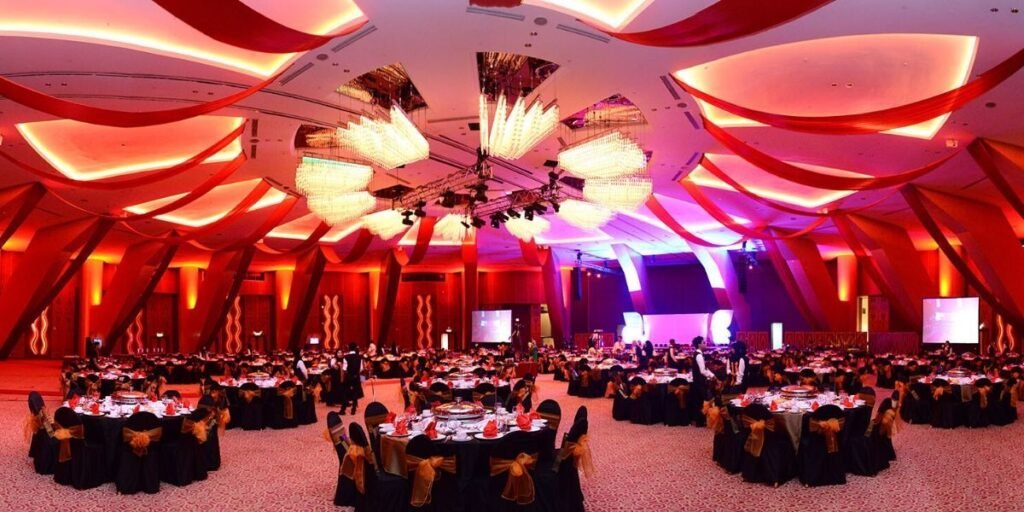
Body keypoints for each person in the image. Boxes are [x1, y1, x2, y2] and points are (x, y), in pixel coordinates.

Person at [691, 336, 715, 426]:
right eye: (704, 343)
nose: (705, 344)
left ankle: (700, 421)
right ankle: (700, 421)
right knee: (702, 401)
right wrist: (712, 377)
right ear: (699, 344)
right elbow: (703, 371)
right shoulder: (699, 355)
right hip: (699, 382)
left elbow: (704, 368)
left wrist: (712, 375)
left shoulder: (697, 354)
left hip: (697, 381)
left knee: (699, 400)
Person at [341, 343, 363, 415]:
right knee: (355, 392)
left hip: (348, 376)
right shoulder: (359, 357)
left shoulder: (346, 357)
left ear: (349, 348)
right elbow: (361, 369)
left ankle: (343, 409)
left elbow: (344, 368)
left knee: (345, 392)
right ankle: (353, 409)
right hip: (356, 376)